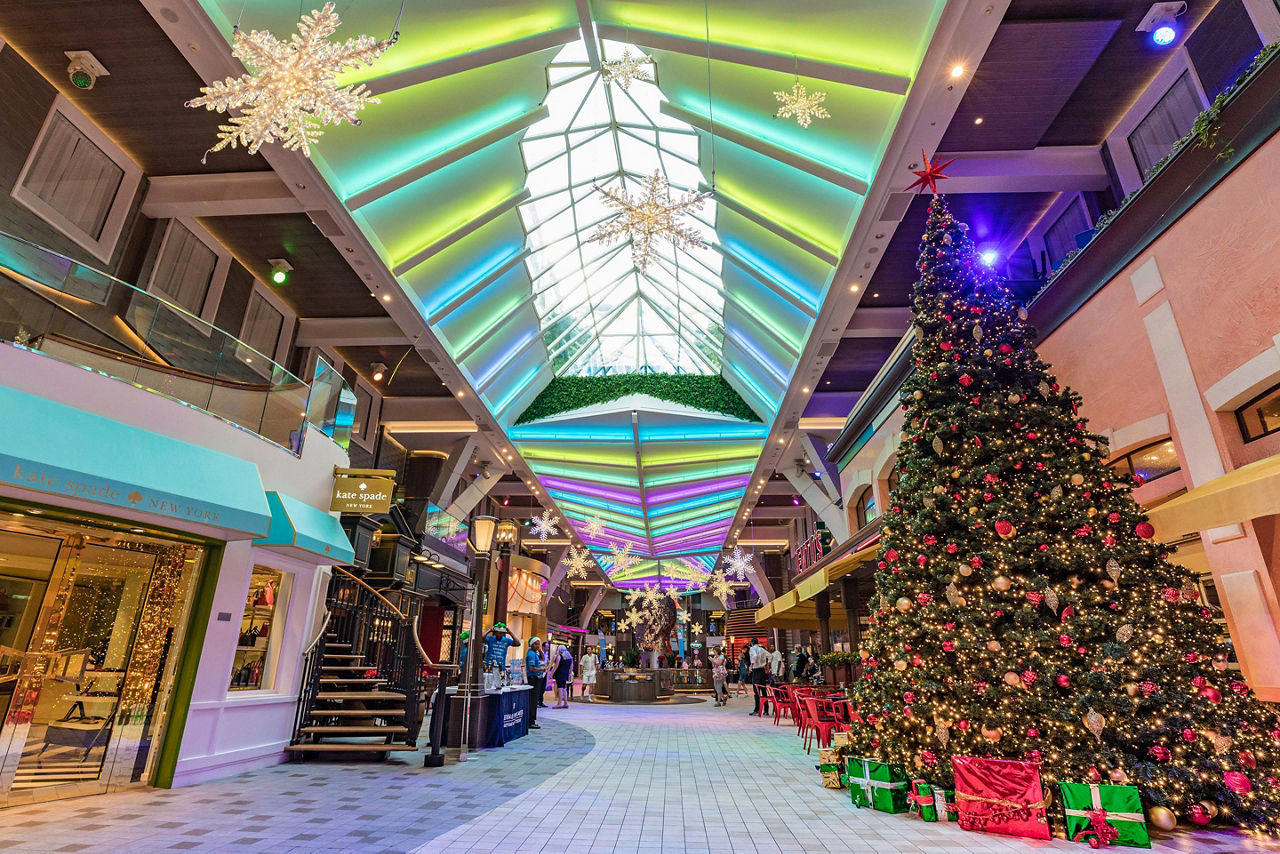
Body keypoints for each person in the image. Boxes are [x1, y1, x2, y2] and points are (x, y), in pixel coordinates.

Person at [525, 637, 545, 728]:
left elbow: (542, 657)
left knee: (534, 700)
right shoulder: (531, 654)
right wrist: (542, 669)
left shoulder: (534, 653)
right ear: (531, 644)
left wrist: (540, 650)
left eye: (539, 644)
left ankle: (532, 720)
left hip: (536, 678)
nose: (537, 646)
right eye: (536, 644)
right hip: (533, 678)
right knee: (533, 700)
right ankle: (530, 721)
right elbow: (531, 668)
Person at [748, 637, 770, 716]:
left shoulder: (752, 649)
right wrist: (767, 665)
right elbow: (770, 656)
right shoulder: (762, 649)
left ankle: (757, 709)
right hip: (762, 671)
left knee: (756, 692)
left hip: (756, 671)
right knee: (764, 691)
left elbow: (755, 656)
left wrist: (751, 665)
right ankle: (766, 710)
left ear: (752, 643)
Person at [550, 639, 574, 709]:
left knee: (560, 688)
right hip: (566, 674)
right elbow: (571, 666)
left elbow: (556, 666)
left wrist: (551, 673)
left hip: (559, 674)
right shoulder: (569, 657)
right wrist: (570, 674)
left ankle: (559, 703)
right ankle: (565, 703)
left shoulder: (559, 656)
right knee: (564, 688)